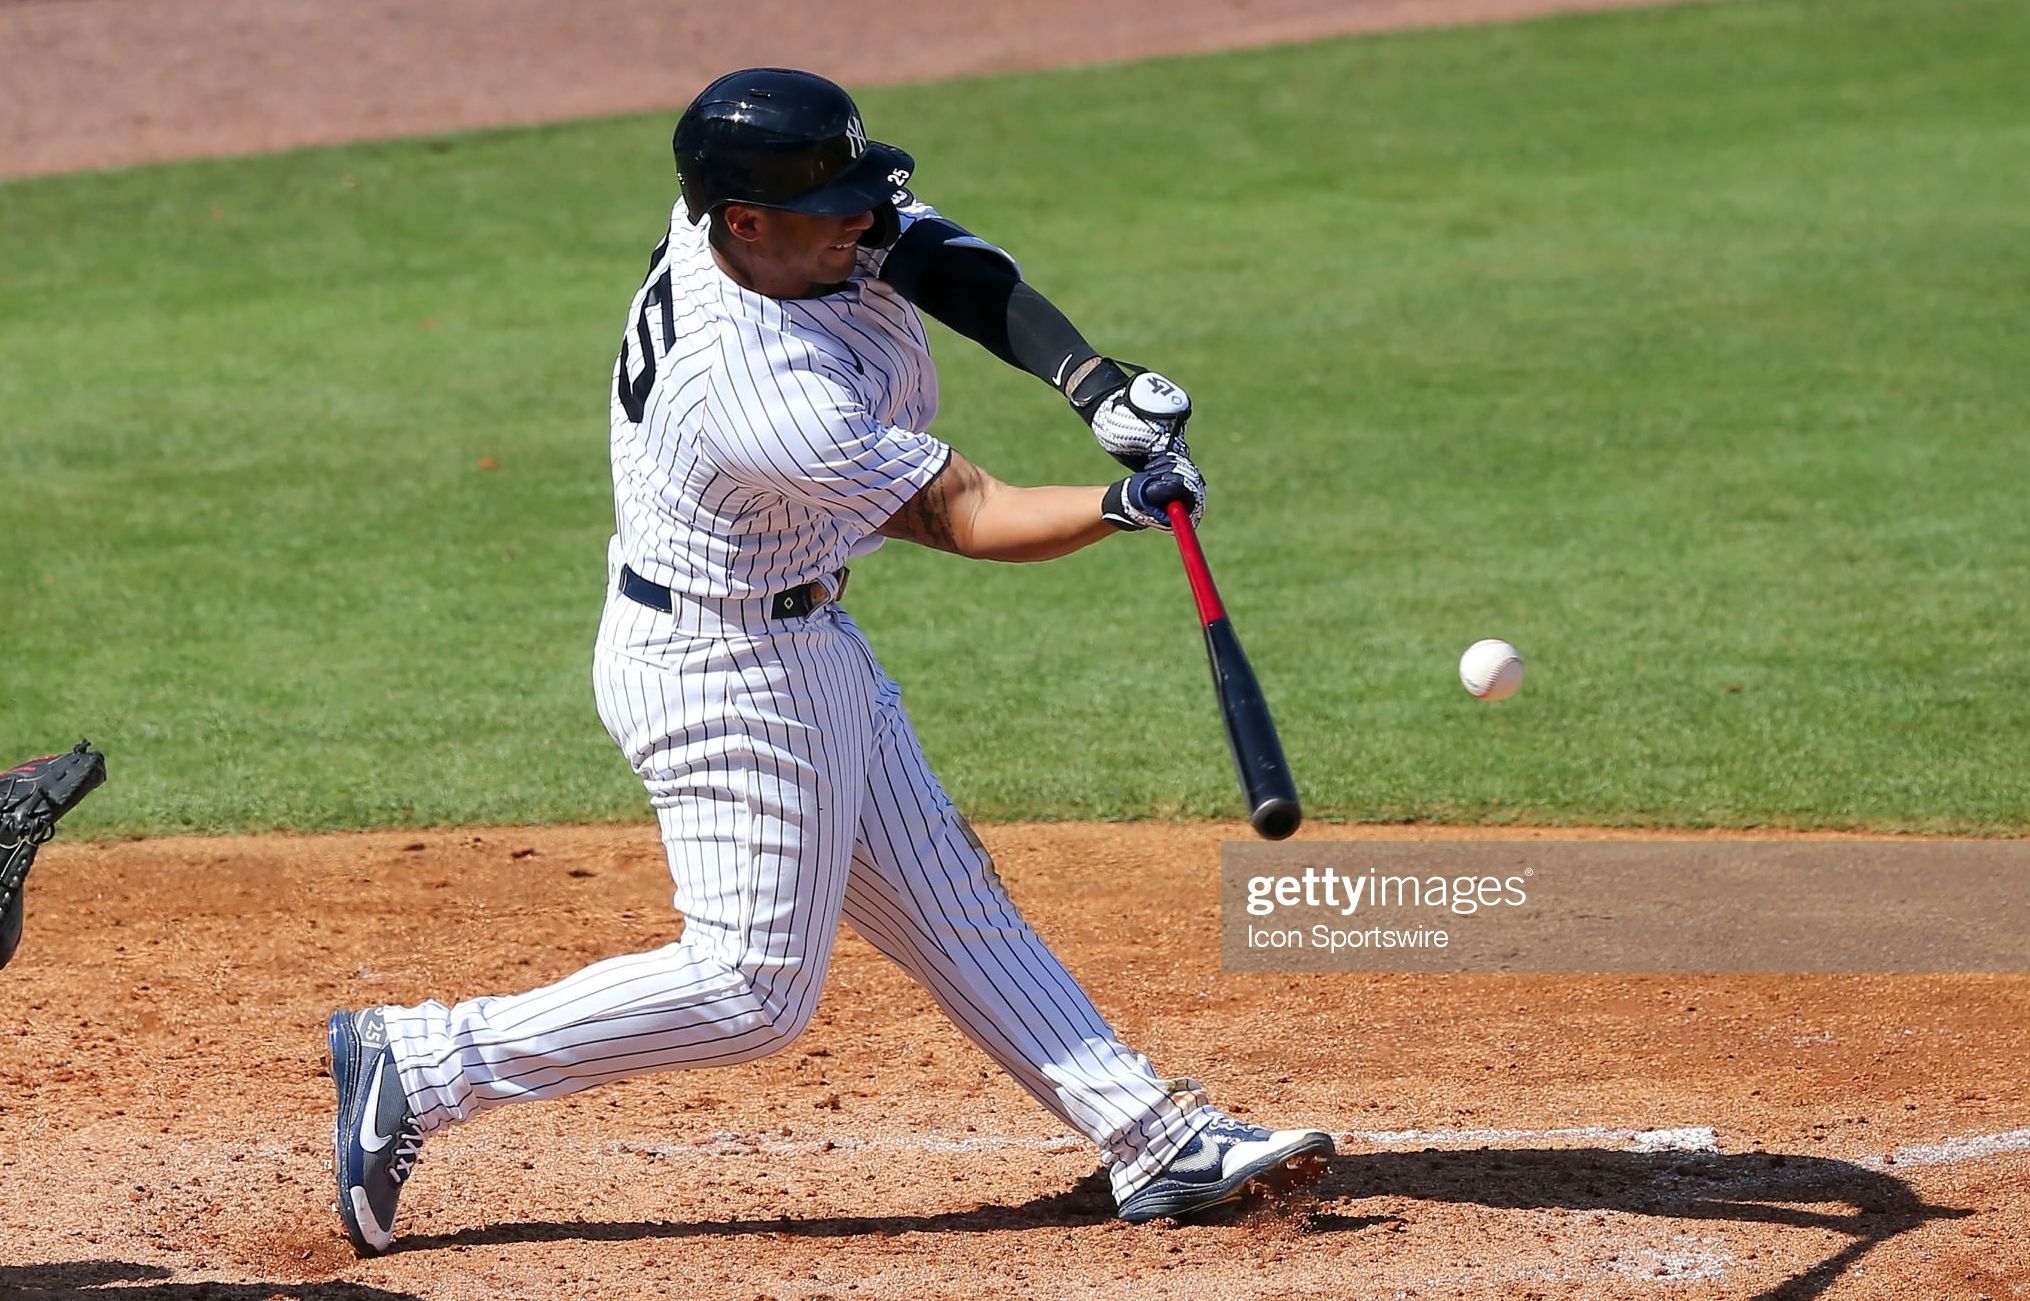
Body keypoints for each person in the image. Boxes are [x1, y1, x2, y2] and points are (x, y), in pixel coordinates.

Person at [326, 67, 1331, 1256]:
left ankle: (1151, 1140)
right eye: (834, 204)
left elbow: (935, 254)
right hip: (721, 669)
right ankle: (426, 1060)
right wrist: (1123, 501)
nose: (863, 220)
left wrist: (1088, 380)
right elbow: (966, 511)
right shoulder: (761, 393)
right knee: (752, 988)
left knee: (953, 898)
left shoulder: (759, 228)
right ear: (741, 221)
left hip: (795, 636)